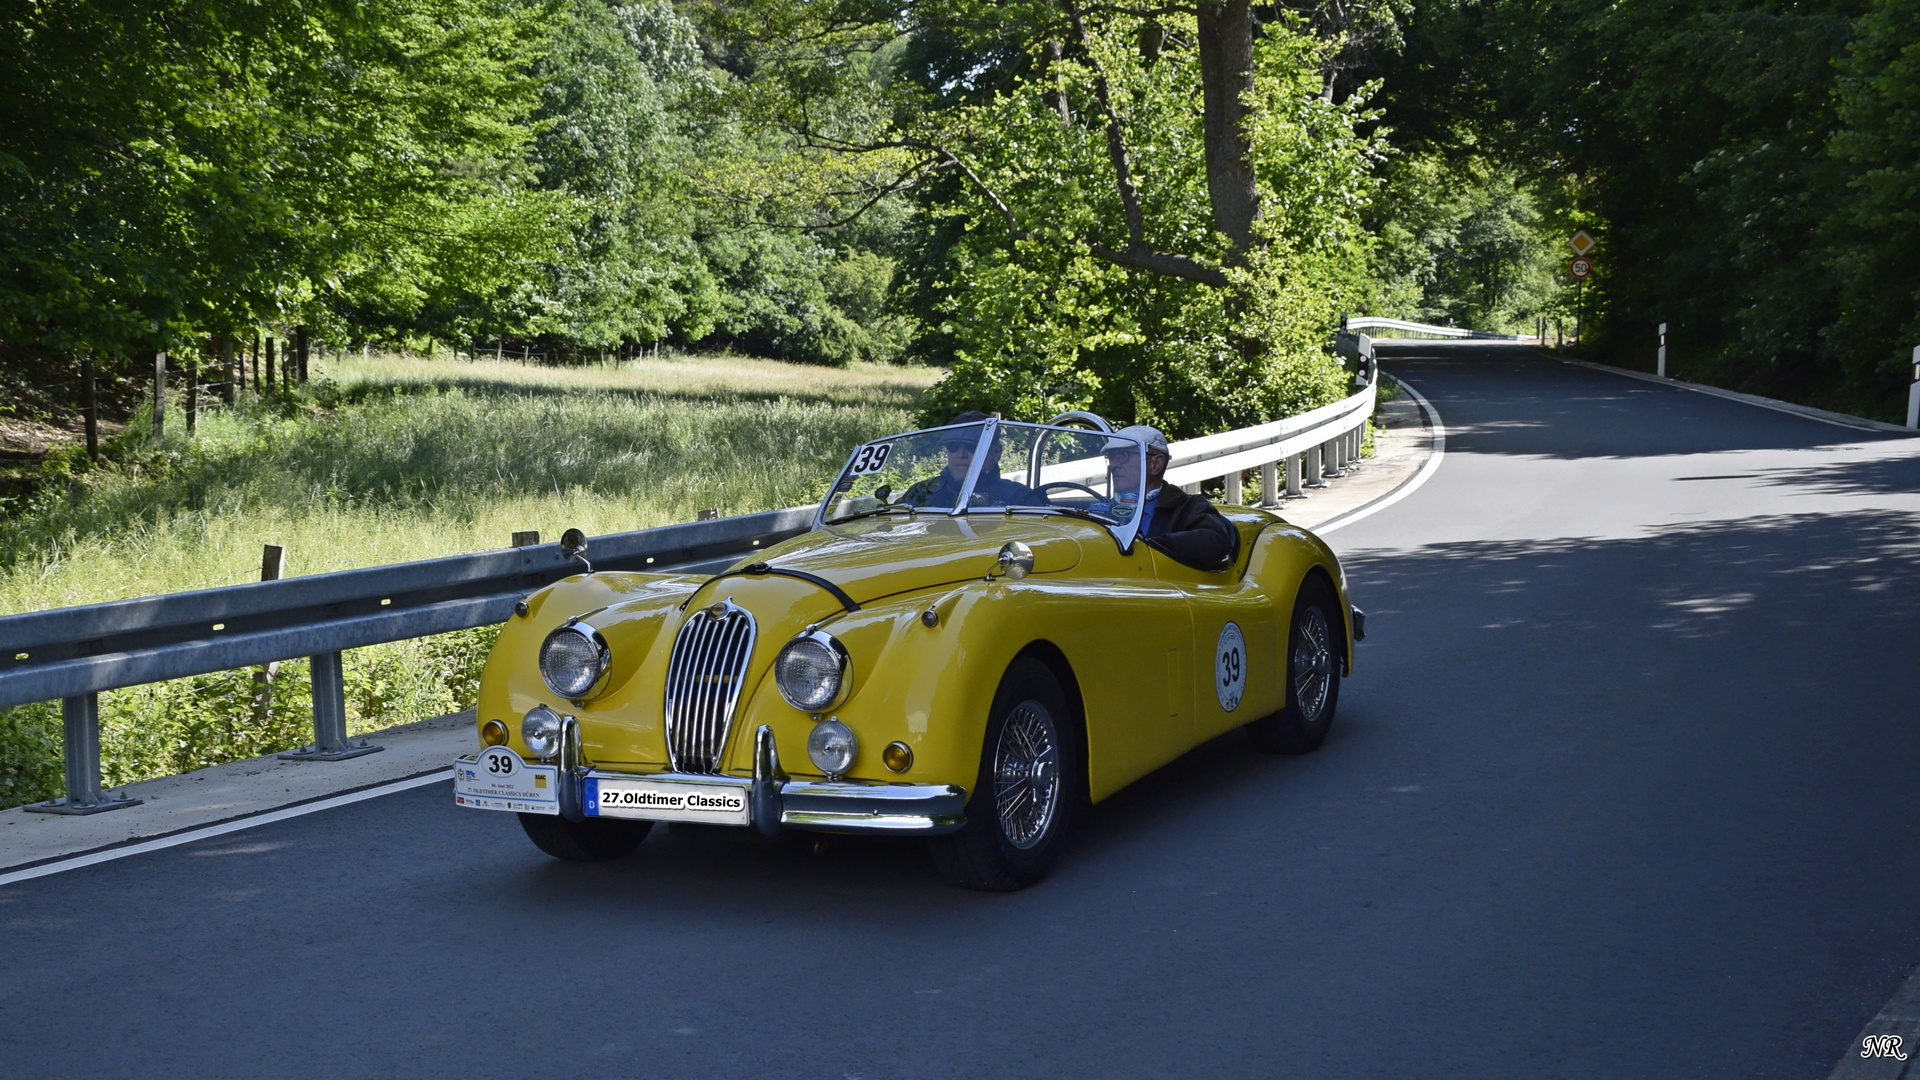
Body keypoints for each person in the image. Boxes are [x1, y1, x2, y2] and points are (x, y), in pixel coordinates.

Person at [1100, 424, 1237, 570]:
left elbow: (1215, 541)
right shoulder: (1101, 508)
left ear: (1156, 464)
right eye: (1111, 457)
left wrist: (1149, 545)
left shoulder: (1188, 507)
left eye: (1123, 456)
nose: (1113, 465)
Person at [900, 411, 1041, 508]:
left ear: (996, 453)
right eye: (953, 446)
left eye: (972, 447)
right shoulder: (921, 493)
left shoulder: (1020, 498)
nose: (961, 454)